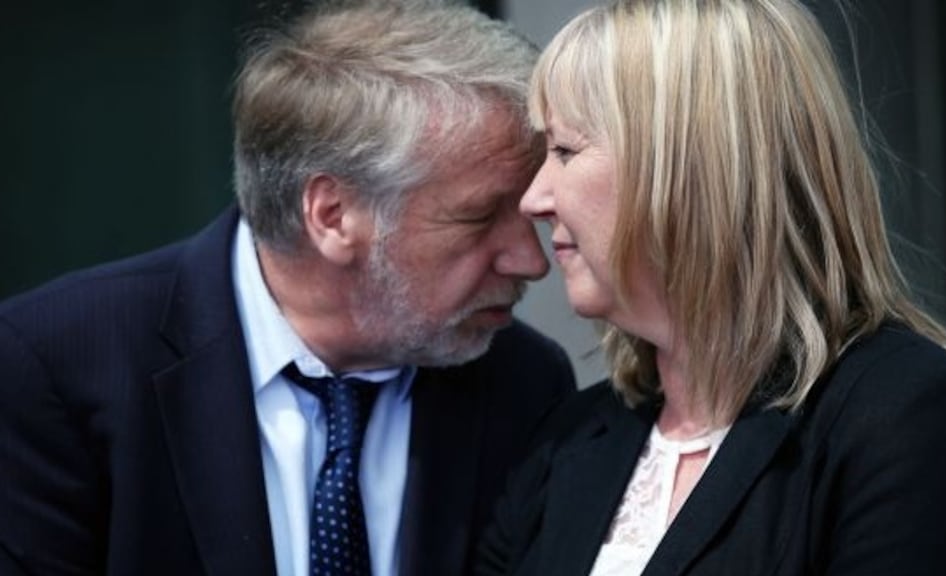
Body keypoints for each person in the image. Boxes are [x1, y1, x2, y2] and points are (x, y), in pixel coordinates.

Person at [0, 2, 577, 576]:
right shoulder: (58, 368)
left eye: (532, 212)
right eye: (478, 218)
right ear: (332, 216)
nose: (532, 261)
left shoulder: (525, 384)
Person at [476, 0, 946, 574]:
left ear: (694, 169)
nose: (534, 199)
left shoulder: (915, 427)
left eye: (565, 150)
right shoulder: (566, 442)